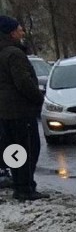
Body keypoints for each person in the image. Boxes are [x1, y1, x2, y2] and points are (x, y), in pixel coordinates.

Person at [0, 16, 48, 201]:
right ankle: (26, 187)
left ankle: (19, 185)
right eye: (19, 29)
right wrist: (38, 98)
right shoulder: (14, 54)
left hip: (5, 112)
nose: (22, 32)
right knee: (28, 149)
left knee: (13, 149)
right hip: (20, 110)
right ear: (11, 33)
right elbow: (23, 82)